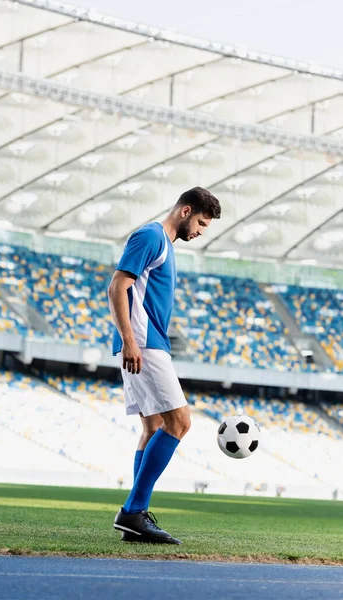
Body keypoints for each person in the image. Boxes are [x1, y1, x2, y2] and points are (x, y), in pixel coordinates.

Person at [108, 186, 221, 544]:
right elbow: (116, 287)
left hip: (145, 344)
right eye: (202, 222)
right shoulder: (151, 236)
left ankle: (135, 518)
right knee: (179, 422)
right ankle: (133, 511)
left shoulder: (165, 245)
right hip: (144, 344)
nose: (201, 231)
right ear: (186, 211)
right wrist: (129, 341)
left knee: (153, 426)